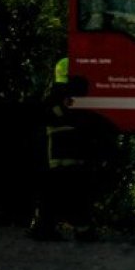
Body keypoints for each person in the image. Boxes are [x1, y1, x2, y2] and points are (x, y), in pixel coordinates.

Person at [29, 58, 100, 241]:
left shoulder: (54, 96)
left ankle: (45, 228)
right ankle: (82, 231)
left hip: (57, 154)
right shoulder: (77, 95)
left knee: (53, 192)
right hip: (72, 154)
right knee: (76, 192)